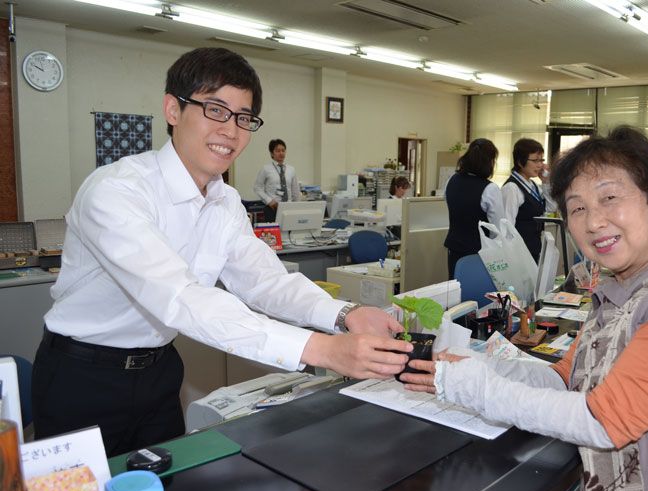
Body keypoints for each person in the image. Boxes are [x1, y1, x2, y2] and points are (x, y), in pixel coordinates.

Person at [31, 47, 411, 457]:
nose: (231, 131)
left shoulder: (225, 200)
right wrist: (320, 349)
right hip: (82, 377)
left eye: (243, 118)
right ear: (173, 109)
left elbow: (264, 280)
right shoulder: (117, 190)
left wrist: (345, 315)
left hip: (160, 372)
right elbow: (181, 297)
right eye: (216, 110)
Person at [403, 126, 648, 491]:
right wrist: (491, 365)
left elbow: (604, 420)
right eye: (577, 208)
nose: (594, 222)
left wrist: (477, 387)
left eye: (610, 198)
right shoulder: (616, 292)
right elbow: (567, 379)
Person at [443, 138, 503, 279]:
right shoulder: (490, 189)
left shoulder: (452, 180)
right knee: (477, 294)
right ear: (491, 162)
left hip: (454, 249)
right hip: (479, 253)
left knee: (457, 291)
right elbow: (497, 229)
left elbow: (451, 206)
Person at [502, 138, 556, 261]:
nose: (540, 165)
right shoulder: (511, 188)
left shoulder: (533, 185)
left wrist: (546, 182)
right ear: (520, 162)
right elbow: (506, 227)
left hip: (533, 247)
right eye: (535, 160)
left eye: (541, 160)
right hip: (518, 253)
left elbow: (551, 207)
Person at [254, 138, 301, 222]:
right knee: (275, 233)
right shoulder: (266, 169)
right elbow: (257, 188)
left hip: (288, 208)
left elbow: (295, 191)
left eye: (283, 150)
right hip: (273, 208)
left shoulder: (291, 169)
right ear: (272, 153)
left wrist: (297, 207)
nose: (281, 153)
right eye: (278, 151)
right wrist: (269, 201)